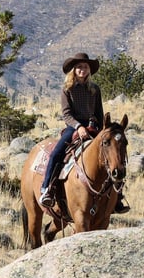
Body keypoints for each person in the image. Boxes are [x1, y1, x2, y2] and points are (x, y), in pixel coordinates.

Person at [39, 52, 129, 214]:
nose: (82, 69)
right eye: (79, 67)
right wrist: (79, 126)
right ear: (73, 70)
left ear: (89, 70)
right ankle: (47, 189)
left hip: (93, 127)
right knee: (57, 153)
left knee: (112, 154)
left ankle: (117, 196)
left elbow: (99, 113)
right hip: (73, 128)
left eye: (85, 67)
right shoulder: (67, 89)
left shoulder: (94, 89)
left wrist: (103, 130)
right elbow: (66, 114)